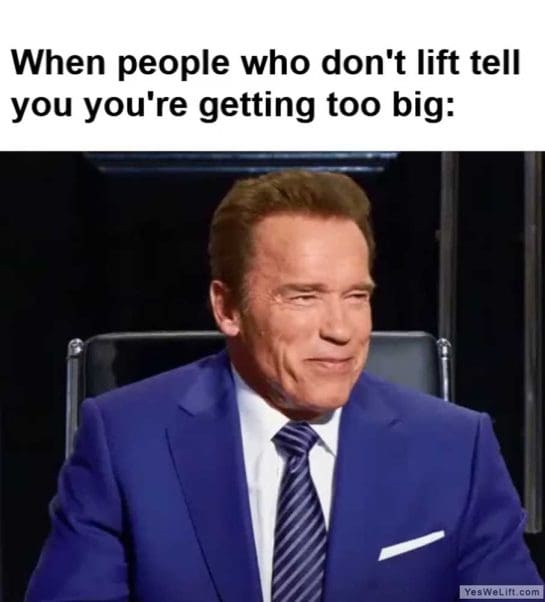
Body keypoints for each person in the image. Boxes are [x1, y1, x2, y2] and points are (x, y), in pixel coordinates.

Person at [26, 170, 543, 601]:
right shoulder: (126, 442)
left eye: (357, 296)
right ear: (228, 308)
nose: (341, 329)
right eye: (304, 297)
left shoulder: (457, 449)